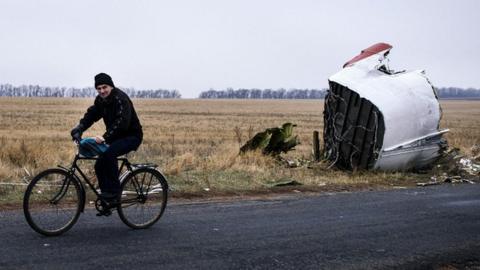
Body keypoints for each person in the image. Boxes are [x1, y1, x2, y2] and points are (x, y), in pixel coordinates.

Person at [70, 73, 143, 202]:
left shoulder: (121, 99)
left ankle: (114, 193)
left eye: (105, 87)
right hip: (116, 137)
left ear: (111, 86)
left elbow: (122, 123)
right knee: (99, 165)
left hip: (131, 136)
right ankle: (106, 198)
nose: (102, 91)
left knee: (109, 154)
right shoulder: (100, 101)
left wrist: (105, 138)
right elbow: (92, 115)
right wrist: (79, 128)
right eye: (99, 88)